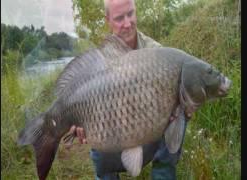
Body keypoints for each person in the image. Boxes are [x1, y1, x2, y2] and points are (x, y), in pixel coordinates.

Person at [65, 0, 188, 179]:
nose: (128, 23)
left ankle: (163, 173)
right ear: (108, 20)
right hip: (109, 134)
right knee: (96, 142)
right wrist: (75, 125)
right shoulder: (99, 61)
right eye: (120, 18)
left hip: (148, 132)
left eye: (130, 14)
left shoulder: (156, 53)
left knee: (180, 113)